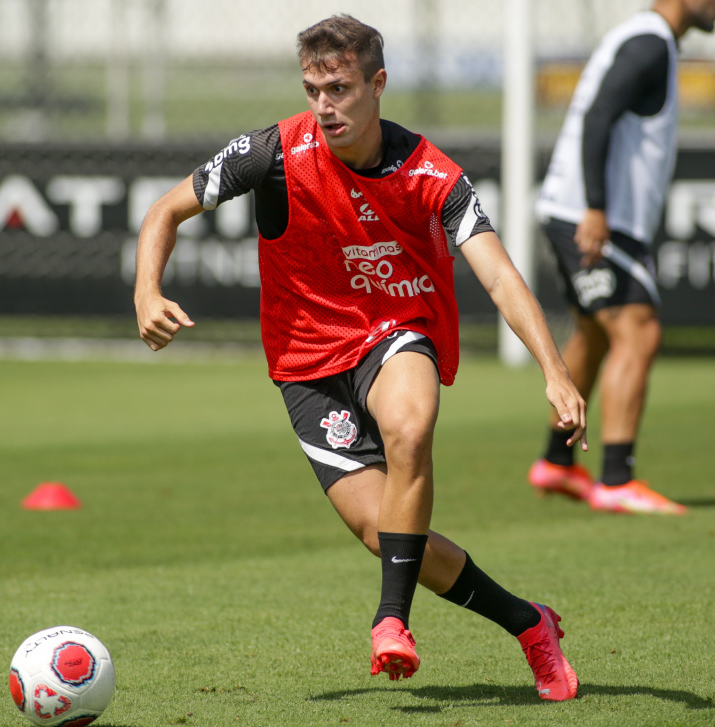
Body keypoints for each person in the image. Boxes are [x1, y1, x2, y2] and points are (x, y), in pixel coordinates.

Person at [135, 15, 586, 701]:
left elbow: (497, 276)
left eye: (339, 88)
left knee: (409, 423)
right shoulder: (271, 153)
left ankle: (390, 620)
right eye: (313, 88)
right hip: (306, 366)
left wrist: (555, 371)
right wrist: (147, 292)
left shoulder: (431, 173)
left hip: (394, 332)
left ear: (376, 85)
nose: (324, 104)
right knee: (387, 534)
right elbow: (164, 211)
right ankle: (529, 623)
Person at [530, 0, 715, 515]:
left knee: (595, 331)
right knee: (639, 330)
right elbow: (598, 117)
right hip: (590, 216)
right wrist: (595, 207)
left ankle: (556, 463)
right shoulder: (649, 43)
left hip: (586, 213)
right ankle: (616, 479)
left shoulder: (644, 39)